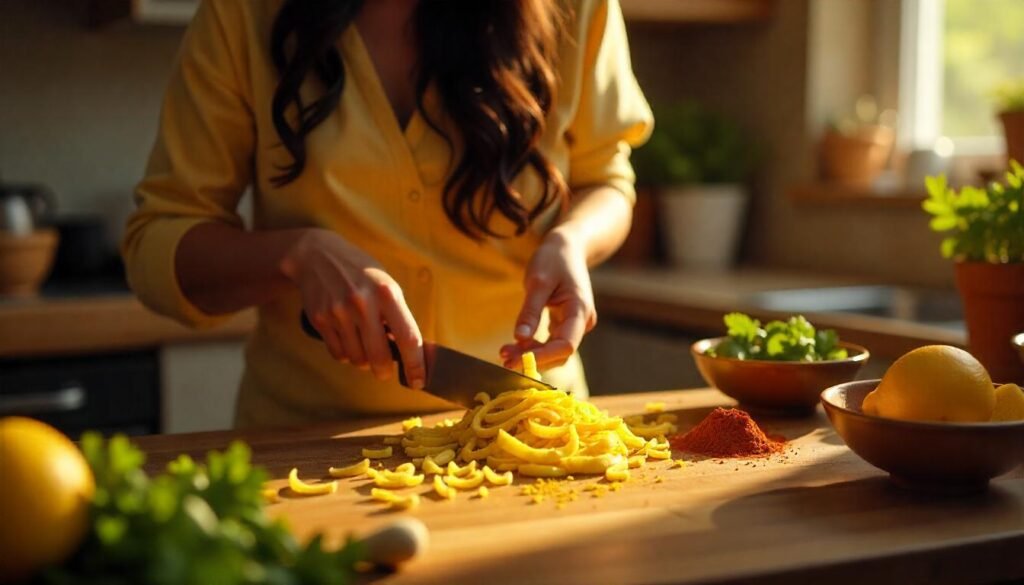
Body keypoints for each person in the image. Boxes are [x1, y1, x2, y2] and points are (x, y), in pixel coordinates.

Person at [122, 0, 653, 428]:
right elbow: (159, 238)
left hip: (533, 429)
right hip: (304, 448)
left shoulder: (577, 8)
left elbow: (607, 179)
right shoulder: (241, 15)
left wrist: (572, 240)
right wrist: (294, 256)